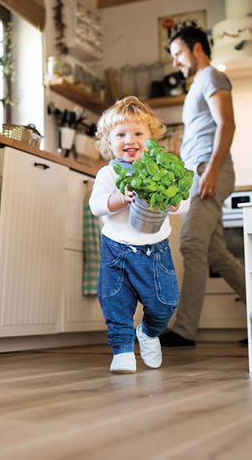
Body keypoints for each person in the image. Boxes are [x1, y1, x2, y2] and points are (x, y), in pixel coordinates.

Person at [158, 25, 246, 349]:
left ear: (197, 49)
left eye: (178, 54)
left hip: (211, 172)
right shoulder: (198, 84)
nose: (175, 62)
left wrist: (211, 170)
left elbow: (227, 123)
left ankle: (184, 330)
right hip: (202, 172)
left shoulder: (211, 76)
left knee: (191, 245)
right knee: (216, 254)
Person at [90, 96, 190, 374]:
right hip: (116, 249)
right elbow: (96, 205)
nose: (129, 140)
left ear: (151, 140)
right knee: (115, 302)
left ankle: (147, 332)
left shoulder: (162, 170)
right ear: (109, 143)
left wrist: (174, 203)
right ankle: (122, 351)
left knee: (165, 302)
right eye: (120, 134)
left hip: (154, 249)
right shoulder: (108, 173)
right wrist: (120, 199)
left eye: (137, 133)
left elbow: (184, 201)